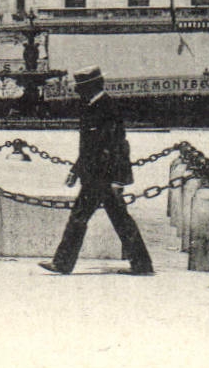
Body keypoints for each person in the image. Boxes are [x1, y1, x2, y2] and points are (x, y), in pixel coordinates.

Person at [39, 67, 154, 276]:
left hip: (103, 178)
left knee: (80, 217)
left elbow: (118, 145)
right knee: (119, 219)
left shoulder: (107, 108)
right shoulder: (92, 106)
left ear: (91, 86)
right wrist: (75, 171)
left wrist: (118, 180)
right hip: (95, 176)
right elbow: (89, 147)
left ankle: (62, 263)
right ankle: (142, 264)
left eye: (80, 87)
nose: (77, 91)